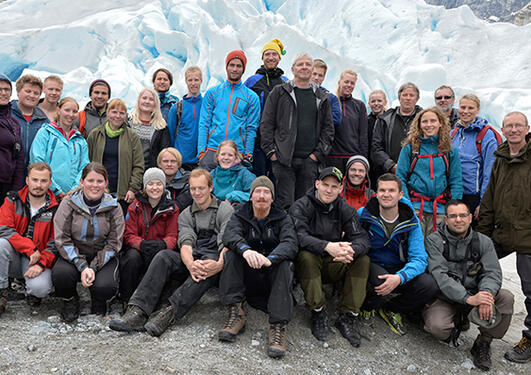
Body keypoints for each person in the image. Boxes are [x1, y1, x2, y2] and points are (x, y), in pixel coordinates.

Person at [109, 168, 233, 337]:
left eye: (201, 188)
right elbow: (186, 242)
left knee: (204, 268)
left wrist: (219, 264)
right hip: (193, 256)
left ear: (211, 188)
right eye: (193, 188)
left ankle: (168, 313)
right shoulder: (186, 214)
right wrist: (190, 263)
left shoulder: (224, 210)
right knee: (164, 256)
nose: (197, 193)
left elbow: (227, 241)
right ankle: (137, 310)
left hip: (216, 258)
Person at [424, 199, 514, 371]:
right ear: (446, 219)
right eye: (453, 216)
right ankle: (457, 321)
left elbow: (492, 272)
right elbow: (440, 276)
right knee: (437, 327)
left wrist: (486, 295)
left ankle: (483, 342)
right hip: (446, 297)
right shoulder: (434, 241)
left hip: (476, 294)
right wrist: (467, 298)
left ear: (470, 218)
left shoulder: (483, 241)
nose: (459, 220)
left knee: (506, 298)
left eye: (463, 215)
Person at [290, 167, 370, 347]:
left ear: (341, 188)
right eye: (325, 185)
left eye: (334, 186)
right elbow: (298, 236)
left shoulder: (346, 209)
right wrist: (327, 246)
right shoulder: (301, 206)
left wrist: (351, 250)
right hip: (310, 264)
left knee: (363, 260)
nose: (329, 190)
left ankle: (348, 316)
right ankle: (318, 311)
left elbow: (362, 239)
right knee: (306, 256)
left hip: (335, 262)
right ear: (317, 184)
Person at [218, 176, 298, 358]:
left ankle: (278, 326)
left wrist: (271, 259)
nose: (262, 196)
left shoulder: (283, 217)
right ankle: (235, 313)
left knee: (285, 263)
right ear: (251, 196)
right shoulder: (239, 214)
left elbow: (291, 243)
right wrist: (246, 250)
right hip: (249, 275)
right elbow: (229, 235)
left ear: (272, 198)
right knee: (231, 253)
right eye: (258, 192)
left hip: (272, 277)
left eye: (266, 192)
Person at [477, 111, 531, 363]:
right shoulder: (501, 157)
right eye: (509, 126)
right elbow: (489, 198)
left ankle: (530, 339)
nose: (513, 130)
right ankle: (470, 322)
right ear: (503, 129)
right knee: (473, 266)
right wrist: (482, 236)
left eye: (518, 125)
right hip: (501, 231)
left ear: (527, 128)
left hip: (528, 236)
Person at [358, 173, 438, 336]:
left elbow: (419, 258)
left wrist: (400, 277)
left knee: (429, 285)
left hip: (399, 267)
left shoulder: (411, 220)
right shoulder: (363, 214)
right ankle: (368, 308)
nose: (386, 194)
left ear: (400, 194)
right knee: (378, 279)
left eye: (391, 190)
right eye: (382, 190)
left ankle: (392, 308)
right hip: (373, 264)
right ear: (376, 193)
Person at [260, 52, 335, 209]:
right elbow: (266, 123)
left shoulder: (321, 97)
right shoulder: (279, 93)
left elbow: (328, 129)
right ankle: (285, 234)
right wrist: (271, 152)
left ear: (312, 69)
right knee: (284, 204)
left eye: (308, 64)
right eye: (300, 64)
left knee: (306, 204)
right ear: (292, 69)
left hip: (310, 160)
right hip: (283, 159)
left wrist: (317, 155)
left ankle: (302, 234)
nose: (304, 67)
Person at [52, 162, 124, 322]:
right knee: (61, 275)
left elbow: (115, 242)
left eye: (99, 181)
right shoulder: (68, 203)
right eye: (90, 180)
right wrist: (82, 265)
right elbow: (62, 239)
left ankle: (99, 299)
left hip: (102, 256)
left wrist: (93, 267)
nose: (95, 185)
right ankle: (70, 300)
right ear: (82, 181)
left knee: (105, 287)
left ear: (106, 183)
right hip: (74, 255)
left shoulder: (114, 206)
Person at [0, 162, 58, 314]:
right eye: (35, 180)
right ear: (27, 180)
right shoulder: (12, 200)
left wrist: (41, 264)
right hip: (13, 255)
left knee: (40, 289)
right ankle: (1, 292)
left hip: (38, 259)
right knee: (0, 244)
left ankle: (32, 292)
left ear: (50, 183)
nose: (38, 185)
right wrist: (29, 248)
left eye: (43, 181)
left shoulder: (56, 207)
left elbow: (56, 242)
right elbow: (3, 228)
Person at [396, 107, 463, 237]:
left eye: (433, 121)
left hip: (441, 210)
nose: (429, 125)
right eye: (425, 122)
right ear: (419, 125)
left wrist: (453, 209)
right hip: (415, 208)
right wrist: (407, 205)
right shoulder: (410, 148)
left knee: (437, 249)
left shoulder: (449, 150)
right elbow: (400, 179)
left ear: (440, 123)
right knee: (416, 248)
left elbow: (456, 181)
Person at [119, 168, 179, 304]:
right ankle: (126, 299)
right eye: (151, 184)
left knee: (163, 258)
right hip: (140, 249)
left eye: (159, 184)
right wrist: (141, 244)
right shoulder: (135, 206)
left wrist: (162, 245)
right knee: (131, 258)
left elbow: (173, 236)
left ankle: (157, 301)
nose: (155, 188)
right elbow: (129, 234)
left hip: (160, 249)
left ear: (164, 186)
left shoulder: (172, 208)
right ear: (145, 186)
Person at [197, 50, 260, 170]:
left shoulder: (251, 98)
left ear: (243, 69)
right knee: (206, 188)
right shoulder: (212, 93)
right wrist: (201, 152)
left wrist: (248, 155)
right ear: (226, 66)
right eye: (232, 65)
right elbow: (204, 123)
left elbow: (251, 128)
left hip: (237, 152)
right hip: (212, 150)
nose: (235, 69)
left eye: (238, 66)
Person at [86, 98, 144, 214]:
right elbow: (87, 162)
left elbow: (138, 166)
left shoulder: (132, 136)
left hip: (122, 194)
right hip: (97, 191)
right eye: (114, 112)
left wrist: (133, 189)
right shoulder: (95, 134)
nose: (117, 116)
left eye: (121, 113)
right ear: (107, 113)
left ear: (125, 115)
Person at [451, 94, 500, 221]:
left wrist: (483, 202)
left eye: (470, 108)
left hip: (473, 197)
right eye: (463, 107)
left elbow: (490, 170)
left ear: (478, 110)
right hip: (455, 194)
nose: (466, 111)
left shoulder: (486, 135)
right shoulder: (454, 133)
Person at [244, 39, 288, 178]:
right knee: (257, 178)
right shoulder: (252, 81)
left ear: (279, 58)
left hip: (279, 142)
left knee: (277, 179)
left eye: (274, 54)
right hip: (257, 140)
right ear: (262, 57)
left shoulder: (285, 82)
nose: (270, 57)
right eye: (267, 54)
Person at [29, 97, 89, 199]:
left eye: (74, 111)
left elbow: (84, 166)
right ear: (58, 110)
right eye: (67, 110)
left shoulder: (80, 140)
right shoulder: (45, 132)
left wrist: (74, 190)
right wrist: (55, 189)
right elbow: (37, 161)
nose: (71, 114)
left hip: (72, 196)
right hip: (46, 192)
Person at [371, 82, 422, 177]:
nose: (407, 98)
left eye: (411, 95)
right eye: (404, 95)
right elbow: (376, 147)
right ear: (399, 98)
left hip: (418, 174)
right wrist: (390, 165)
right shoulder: (385, 119)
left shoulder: (424, 119)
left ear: (417, 99)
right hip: (390, 173)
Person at [326, 70, 368, 173]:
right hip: (332, 157)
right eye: (346, 82)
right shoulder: (329, 102)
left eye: (352, 83)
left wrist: (362, 159)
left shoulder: (359, 105)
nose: (349, 85)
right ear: (339, 82)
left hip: (353, 159)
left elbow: (363, 134)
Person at [167, 66, 203, 170]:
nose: (193, 83)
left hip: (200, 160)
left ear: (201, 81)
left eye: (196, 80)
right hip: (182, 161)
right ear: (186, 81)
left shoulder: (206, 105)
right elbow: (171, 134)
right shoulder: (177, 108)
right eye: (190, 80)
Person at [10, 74, 48, 168]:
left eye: (36, 93)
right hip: (8, 173)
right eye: (28, 91)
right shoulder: (6, 115)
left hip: (34, 176)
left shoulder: (44, 121)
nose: (32, 95)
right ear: (18, 91)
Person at [129, 88, 171, 169]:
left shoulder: (161, 127)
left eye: (151, 99)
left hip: (151, 172)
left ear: (156, 104)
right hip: (129, 170)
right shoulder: (128, 123)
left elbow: (164, 154)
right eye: (144, 98)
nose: (147, 102)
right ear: (138, 101)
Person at [0, 73, 24, 202]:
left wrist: (17, 188)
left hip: (6, 186)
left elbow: (19, 157)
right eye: (0, 89)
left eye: (7, 89)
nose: (3, 93)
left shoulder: (13, 122)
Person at [211, 140, 256, 204]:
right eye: (223, 154)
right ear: (217, 156)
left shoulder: (245, 174)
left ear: (235, 158)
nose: (226, 158)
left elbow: (256, 195)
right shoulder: (211, 175)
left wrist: (233, 196)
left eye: (230, 155)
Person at [310, 59, 342, 127]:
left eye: (320, 75)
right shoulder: (297, 92)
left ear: (324, 78)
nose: (316, 78)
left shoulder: (331, 98)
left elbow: (337, 119)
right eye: (314, 74)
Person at [367, 90, 388, 184]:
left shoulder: (390, 120)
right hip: (370, 162)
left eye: (379, 101)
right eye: (373, 101)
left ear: (385, 102)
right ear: (369, 103)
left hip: (386, 162)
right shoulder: (366, 121)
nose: (376, 104)